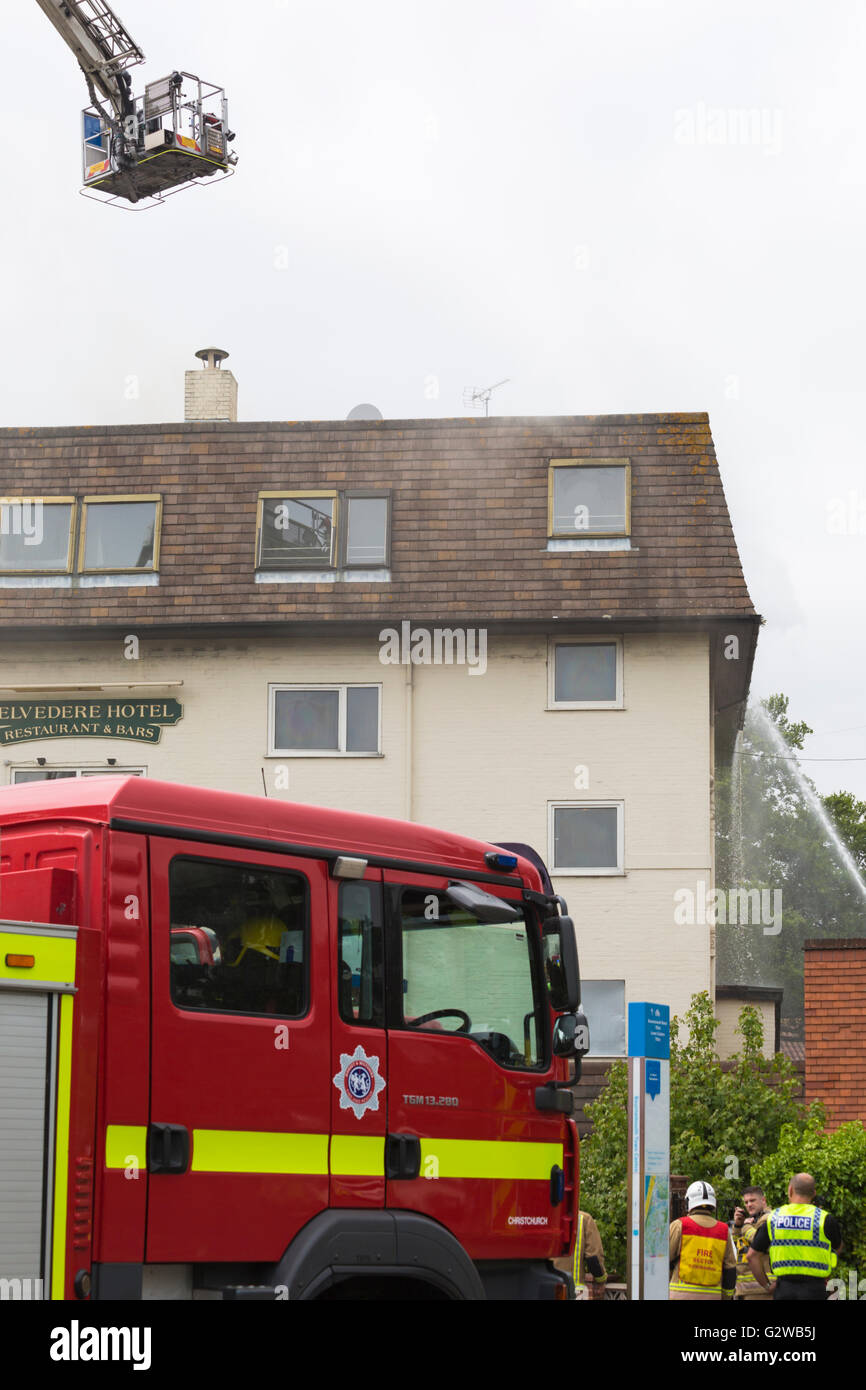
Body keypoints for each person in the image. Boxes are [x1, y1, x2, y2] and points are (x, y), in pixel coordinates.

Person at [747, 1172, 842, 1301]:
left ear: (790, 1190)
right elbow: (837, 1247)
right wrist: (828, 1270)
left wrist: (767, 1285)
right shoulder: (824, 1219)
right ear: (814, 1193)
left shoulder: (774, 1219)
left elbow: (752, 1256)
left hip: (784, 1290)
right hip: (816, 1290)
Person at [669, 1181, 737, 1300]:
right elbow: (730, 1269)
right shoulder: (723, 1230)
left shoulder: (680, 1225)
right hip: (713, 1296)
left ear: (687, 1203)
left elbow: (663, 1259)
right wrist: (726, 1296)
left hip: (680, 1295)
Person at [732, 1186, 774, 1301]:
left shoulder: (769, 1219)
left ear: (763, 1200)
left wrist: (745, 1227)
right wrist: (737, 1226)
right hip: (745, 1291)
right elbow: (738, 1247)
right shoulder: (752, 1221)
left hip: (765, 1291)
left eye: (752, 1200)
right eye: (746, 1202)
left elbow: (758, 1240)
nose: (749, 1205)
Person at [553, 1210, 607, 1299]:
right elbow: (594, 1258)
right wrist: (601, 1280)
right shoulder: (584, 1219)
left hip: (545, 1288)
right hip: (574, 1291)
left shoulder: (541, 1219)